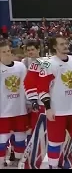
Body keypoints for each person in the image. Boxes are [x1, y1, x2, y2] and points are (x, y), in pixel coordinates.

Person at [37, 35, 72, 169]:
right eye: (61, 44)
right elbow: (42, 89)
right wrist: (47, 108)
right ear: (54, 47)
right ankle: (53, 166)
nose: (65, 46)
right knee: (55, 141)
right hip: (57, 110)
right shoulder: (48, 64)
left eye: (66, 43)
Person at [0, 40, 28, 168]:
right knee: (2, 140)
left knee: (20, 138)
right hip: (3, 112)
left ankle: (17, 161)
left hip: (20, 110)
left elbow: (27, 85)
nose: (7, 53)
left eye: (8, 51)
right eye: (3, 52)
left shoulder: (20, 66)